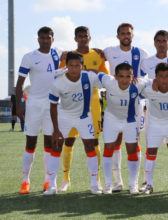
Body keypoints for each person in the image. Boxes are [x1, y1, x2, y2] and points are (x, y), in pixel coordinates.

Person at [57, 26, 109, 192]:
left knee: (93, 142)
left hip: (92, 103)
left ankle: (97, 181)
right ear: (75, 39)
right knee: (69, 140)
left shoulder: (97, 55)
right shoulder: (68, 56)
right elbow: (59, 75)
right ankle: (65, 179)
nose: (82, 38)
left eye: (85, 36)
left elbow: (106, 79)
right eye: (79, 36)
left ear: (89, 37)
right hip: (70, 104)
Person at [44, 52, 103, 195]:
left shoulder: (88, 77)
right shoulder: (58, 83)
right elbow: (52, 107)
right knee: (57, 146)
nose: (74, 69)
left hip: (84, 116)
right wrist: (56, 130)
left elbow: (105, 80)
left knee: (90, 146)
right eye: (71, 65)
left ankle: (94, 184)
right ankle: (52, 185)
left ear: (82, 66)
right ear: (66, 66)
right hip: (64, 116)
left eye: (77, 66)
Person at [16, 26, 62, 194]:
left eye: (48, 37)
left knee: (50, 144)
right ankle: (25, 180)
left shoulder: (58, 53)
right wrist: (18, 105)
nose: (45, 40)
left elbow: (77, 56)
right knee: (31, 143)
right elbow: (19, 84)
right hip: (34, 105)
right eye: (42, 38)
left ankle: (48, 180)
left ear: (52, 39)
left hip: (52, 105)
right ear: (38, 39)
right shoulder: (29, 57)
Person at [103, 23, 149, 191]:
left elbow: (155, 67)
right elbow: (94, 57)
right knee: (114, 141)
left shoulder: (141, 53)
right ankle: (117, 181)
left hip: (134, 104)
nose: (125, 36)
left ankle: (136, 181)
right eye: (122, 34)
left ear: (132, 35)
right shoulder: (109, 51)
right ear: (118, 36)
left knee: (134, 142)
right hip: (115, 101)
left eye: (128, 33)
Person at [139, 30, 168, 192]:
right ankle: (147, 183)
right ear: (154, 43)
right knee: (151, 149)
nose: (161, 43)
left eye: (164, 40)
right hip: (154, 114)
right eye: (158, 41)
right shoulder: (147, 62)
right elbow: (139, 79)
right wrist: (151, 82)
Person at [98, 63, 150, 194]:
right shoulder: (108, 81)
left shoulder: (139, 83)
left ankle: (133, 184)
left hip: (130, 120)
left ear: (133, 77)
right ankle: (109, 184)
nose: (124, 80)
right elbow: (95, 73)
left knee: (132, 149)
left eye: (128, 76)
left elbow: (154, 80)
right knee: (109, 148)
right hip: (112, 119)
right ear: (115, 77)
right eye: (121, 76)